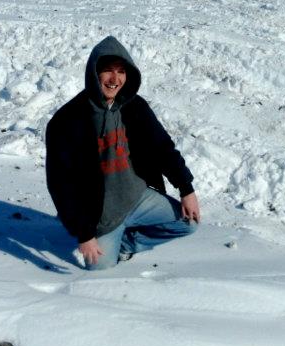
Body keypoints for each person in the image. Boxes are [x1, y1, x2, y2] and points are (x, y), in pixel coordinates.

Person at [46, 36, 200, 269]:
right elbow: (61, 184)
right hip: (101, 217)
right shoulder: (67, 120)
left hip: (137, 199)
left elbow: (162, 147)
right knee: (98, 271)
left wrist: (186, 189)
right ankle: (110, 238)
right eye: (108, 70)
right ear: (94, 73)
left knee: (190, 222)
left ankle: (127, 244)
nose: (115, 79)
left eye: (121, 71)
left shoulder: (135, 107)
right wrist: (85, 234)